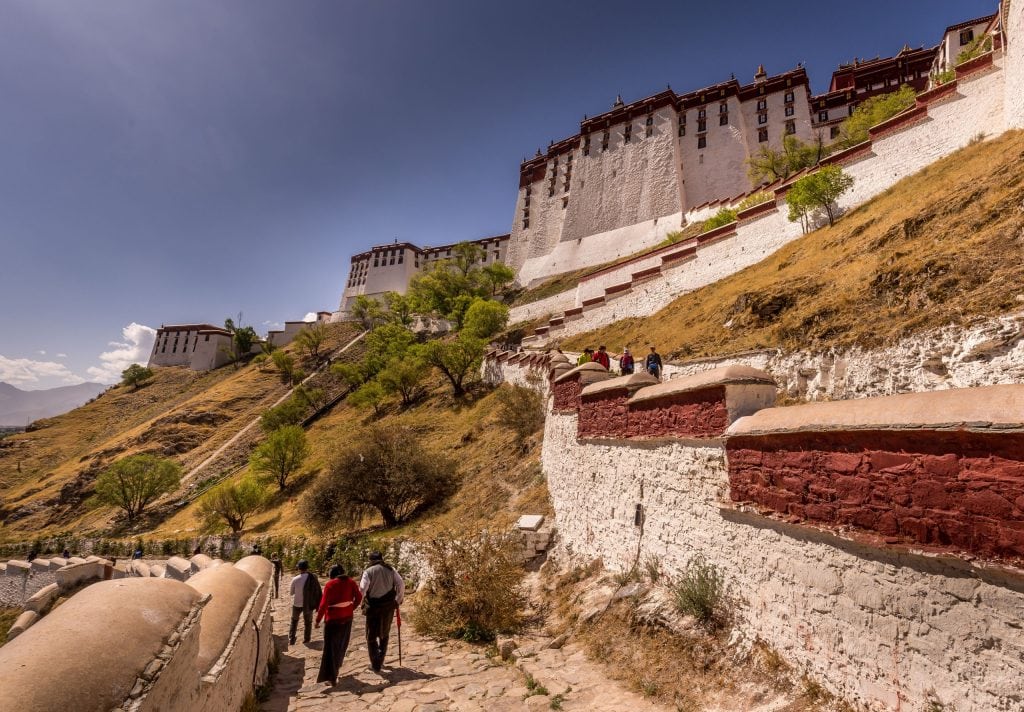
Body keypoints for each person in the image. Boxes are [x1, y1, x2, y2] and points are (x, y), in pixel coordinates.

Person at [315, 564, 363, 686]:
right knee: (342, 644)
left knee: (330, 648)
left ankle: (332, 676)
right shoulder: (351, 582)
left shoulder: (330, 585)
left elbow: (323, 604)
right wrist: (350, 608)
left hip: (333, 620)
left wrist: (317, 620)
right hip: (347, 618)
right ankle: (337, 665)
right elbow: (359, 597)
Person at [359, 551, 405, 673]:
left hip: (373, 607)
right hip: (388, 606)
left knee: (371, 636)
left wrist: (360, 602)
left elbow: (363, 589)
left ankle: (376, 663)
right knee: (385, 633)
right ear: (381, 558)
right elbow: (400, 584)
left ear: (371, 560)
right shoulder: (391, 569)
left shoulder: (368, 572)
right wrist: (398, 600)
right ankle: (381, 659)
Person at [289, 560, 323, 646]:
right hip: (308, 604)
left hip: (297, 604)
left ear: (299, 568)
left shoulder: (295, 579)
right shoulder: (313, 577)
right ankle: (306, 639)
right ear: (307, 567)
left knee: (294, 621)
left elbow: (291, 593)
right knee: (308, 622)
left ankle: (291, 639)